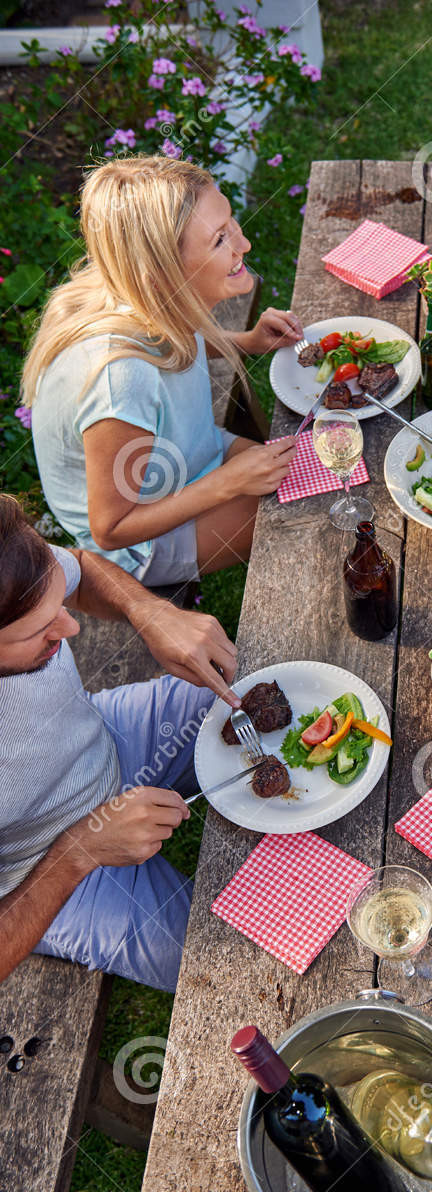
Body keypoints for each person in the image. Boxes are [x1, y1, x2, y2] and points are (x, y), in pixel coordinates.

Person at [0, 495, 244, 992]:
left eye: (57, 607)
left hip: (110, 737)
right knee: (233, 978)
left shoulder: (9, 560)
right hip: (45, 869)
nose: (71, 628)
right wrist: (79, 850)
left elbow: (83, 568)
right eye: (42, 631)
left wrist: (146, 610)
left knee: (260, 694)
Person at [22, 155, 301, 586]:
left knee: (309, 466)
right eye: (219, 241)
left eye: (230, 224)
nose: (243, 245)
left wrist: (246, 342)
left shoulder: (143, 298)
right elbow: (111, 529)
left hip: (188, 454)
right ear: (162, 276)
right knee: (298, 509)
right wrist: (228, 483)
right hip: (142, 543)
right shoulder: (120, 380)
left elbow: (173, 344)